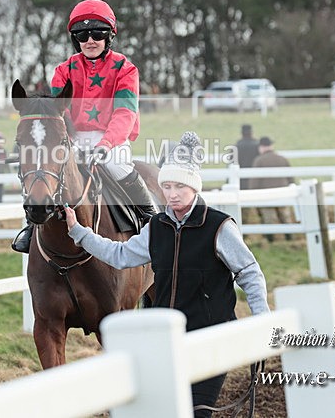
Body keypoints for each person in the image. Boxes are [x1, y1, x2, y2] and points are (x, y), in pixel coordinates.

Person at [64, 131, 269, 418]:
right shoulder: (156, 227)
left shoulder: (220, 227)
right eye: (167, 186)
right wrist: (79, 233)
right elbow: (120, 255)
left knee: (196, 411)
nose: (171, 194)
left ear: (194, 188)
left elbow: (249, 273)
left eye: (179, 187)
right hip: (166, 340)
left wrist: (262, 320)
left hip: (210, 338)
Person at [12, 0, 157, 253]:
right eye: (82, 34)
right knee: (46, 169)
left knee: (118, 164)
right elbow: (58, 115)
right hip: (73, 138)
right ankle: (33, 226)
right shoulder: (64, 69)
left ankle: (152, 221)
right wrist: (66, 142)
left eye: (97, 33)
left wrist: (106, 144)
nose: (90, 40)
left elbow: (125, 113)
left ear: (109, 36)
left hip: (112, 139)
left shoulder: (125, 69)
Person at [250, 136, 293, 241]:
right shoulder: (282, 159)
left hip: (266, 195)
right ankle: (289, 238)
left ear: (261, 147)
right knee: (285, 216)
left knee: (269, 218)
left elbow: (255, 181)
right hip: (283, 193)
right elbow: (291, 178)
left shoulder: (259, 161)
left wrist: (253, 194)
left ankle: (270, 240)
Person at [235, 124, 259, 190]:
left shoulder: (236, 146)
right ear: (251, 132)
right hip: (254, 178)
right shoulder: (257, 145)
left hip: (240, 180)